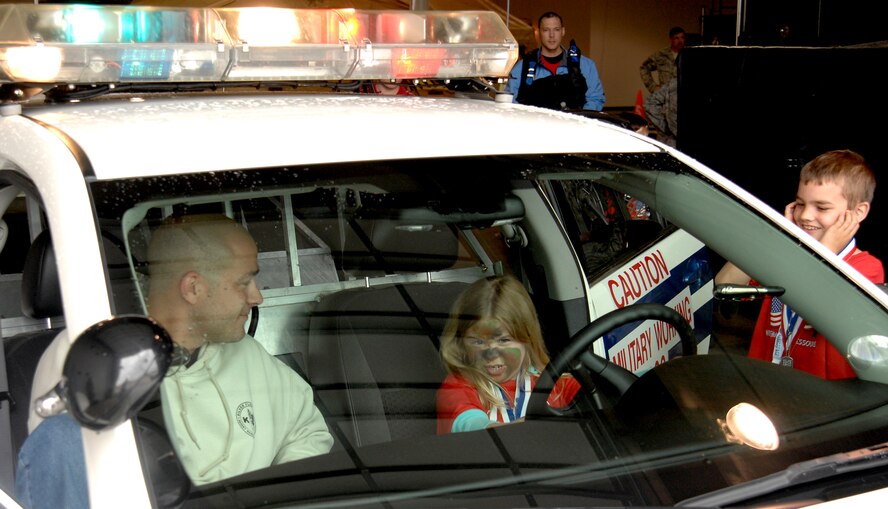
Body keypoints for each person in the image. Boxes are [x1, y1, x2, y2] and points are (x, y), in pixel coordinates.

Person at [19, 215, 334, 499]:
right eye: (243, 282)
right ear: (193, 288)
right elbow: (66, 475)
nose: (257, 296)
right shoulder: (93, 354)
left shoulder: (246, 353)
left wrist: (276, 496)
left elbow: (307, 431)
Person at [715, 150, 884, 379]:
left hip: (819, 399)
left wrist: (825, 251)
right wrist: (778, 237)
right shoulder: (784, 256)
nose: (805, 215)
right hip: (765, 385)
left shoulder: (867, 268)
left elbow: (812, 297)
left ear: (858, 213)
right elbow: (726, 283)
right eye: (800, 203)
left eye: (821, 208)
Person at [436, 276, 580, 434]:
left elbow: (599, 398)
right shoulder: (458, 386)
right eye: (478, 342)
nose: (490, 354)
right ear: (462, 343)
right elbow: (470, 424)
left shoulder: (554, 383)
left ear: (527, 339)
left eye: (504, 340)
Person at [505, 11, 605, 111]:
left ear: (563, 31)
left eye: (556, 30)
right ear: (539, 32)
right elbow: (510, 102)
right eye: (546, 30)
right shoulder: (522, 68)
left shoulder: (585, 65)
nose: (552, 35)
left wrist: (580, 120)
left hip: (575, 125)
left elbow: (595, 99)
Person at [639, 26, 685, 94]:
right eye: (677, 38)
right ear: (671, 39)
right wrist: (653, 87)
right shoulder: (661, 55)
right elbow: (644, 68)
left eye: (682, 38)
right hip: (666, 95)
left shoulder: (689, 55)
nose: (680, 41)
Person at [644, 77, 678, 147]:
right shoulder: (674, 84)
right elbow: (650, 103)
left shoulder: (674, 82)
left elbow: (649, 104)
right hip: (674, 143)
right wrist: (666, 126)